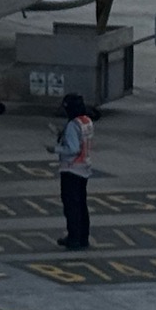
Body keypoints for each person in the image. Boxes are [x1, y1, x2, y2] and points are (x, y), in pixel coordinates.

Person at [53, 92, 94, 249]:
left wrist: (56, 149)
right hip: (84, 168)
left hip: (71, 169)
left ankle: (74, 237)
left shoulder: (72, 125)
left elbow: (72, 148)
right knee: (82, 205)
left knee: (71, 205)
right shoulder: (86, 122)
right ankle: (83, 237)